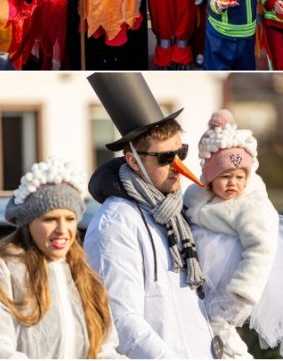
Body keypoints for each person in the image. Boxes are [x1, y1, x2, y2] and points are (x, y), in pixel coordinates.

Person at [84, 73, 215, 359]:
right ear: (133, 161)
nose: (178, 166)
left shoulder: (179, 213)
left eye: (181, 152)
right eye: (166, 158)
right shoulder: (115, 223)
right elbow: (121, 321)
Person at [184, 109, 283, 357]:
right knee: (200, 325)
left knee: (221, 326)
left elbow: (262, 248)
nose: (233, 183)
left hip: (239, 275)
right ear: (209, 178)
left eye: (240, 176)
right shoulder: (197, 196)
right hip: (202, 275)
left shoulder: (252, 205)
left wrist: (242, 291)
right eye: (225, 176)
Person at [0, 158, 123, 358]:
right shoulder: (0, 269)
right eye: (50, 219)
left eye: (70, 219)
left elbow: (104, 351)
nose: (62, 229)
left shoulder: (86, 276)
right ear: (29, 222)